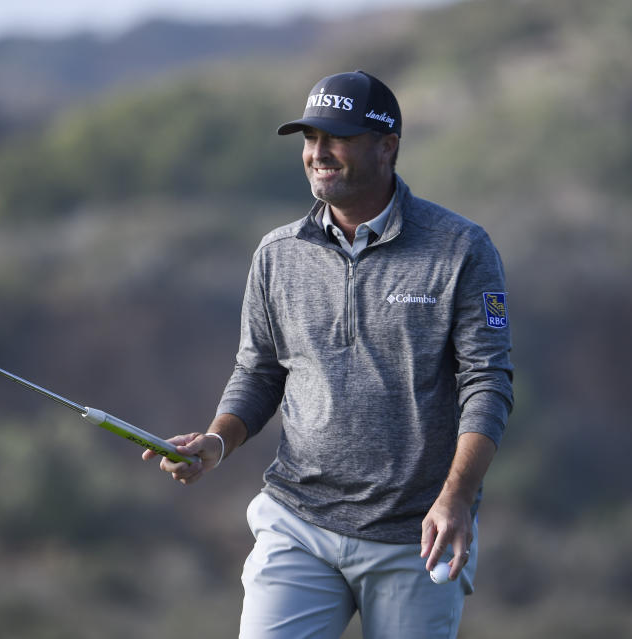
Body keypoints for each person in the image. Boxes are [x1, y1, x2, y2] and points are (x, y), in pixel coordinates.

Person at [142, 69, 514, 638]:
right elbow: (259, 371)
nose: (318, 153)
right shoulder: (277, 254)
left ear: (387, 146)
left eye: (336, 138)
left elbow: (487, 382)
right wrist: (217, 442)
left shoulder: (462, 248)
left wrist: (457, 497)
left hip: (416, 535)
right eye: (310, 139)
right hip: (298, 523)